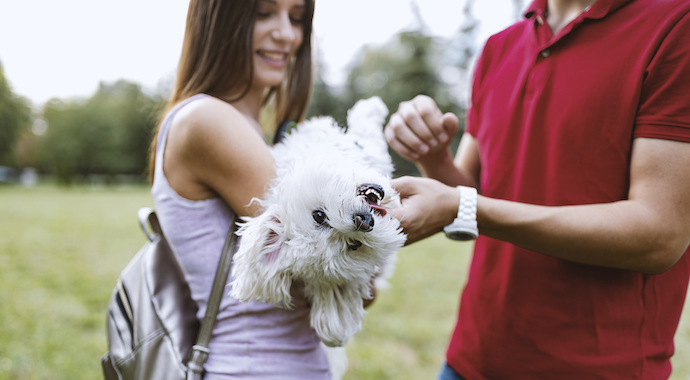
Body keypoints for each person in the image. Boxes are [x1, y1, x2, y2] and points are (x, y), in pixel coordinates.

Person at [384, 0, 690, 379]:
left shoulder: (676, 25)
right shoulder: (498, 47)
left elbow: (659, 234)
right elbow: (475, 193)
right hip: (470, 359)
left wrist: (462, 205)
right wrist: (432, 157)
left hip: (598, 370)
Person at [147, 0, 335, 378]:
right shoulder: (207, 120)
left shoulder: (245, 128)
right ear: (217, 20)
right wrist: (452, 207)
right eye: (263, 13)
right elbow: (329, 248)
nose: (286, 33)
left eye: (296, 18)